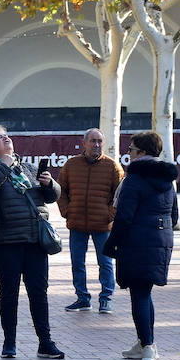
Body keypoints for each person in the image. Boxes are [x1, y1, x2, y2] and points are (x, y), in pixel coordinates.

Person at [0, 126, 64, 359]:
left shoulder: (27, 168)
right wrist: (4, 164)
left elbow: (52, 197)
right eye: (0, 138)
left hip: (34, 239)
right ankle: (9, 342)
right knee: (9, 291)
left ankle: (45, 342)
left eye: (7, 136)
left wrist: (49, 184)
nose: (7, 139)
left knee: (38, 291)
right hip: (4, 240)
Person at [105, 131, 178, 360]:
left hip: (136, 242)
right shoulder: (167, 180)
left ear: (143, 153)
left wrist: (111, 242)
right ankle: (144, 341)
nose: (129, 154)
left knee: (139, 293)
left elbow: (124, 217)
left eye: (131, 150)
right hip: (161, 241)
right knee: (145, 291)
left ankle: (148, 346)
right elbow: (174, 215)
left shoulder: (134, 179)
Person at [57, 128, 123, 313]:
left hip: (102, 225)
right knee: (77, 262)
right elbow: (60, 190)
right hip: (76, 223)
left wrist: (109, 215)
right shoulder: (71, 165)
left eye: (100, 141)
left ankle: (106, 298)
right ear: (84, 143)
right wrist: (66, 211)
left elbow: (120, 196)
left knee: (106, 263)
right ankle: (82, 298)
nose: (97, 145)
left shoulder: (112, 167)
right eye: (93, 141)